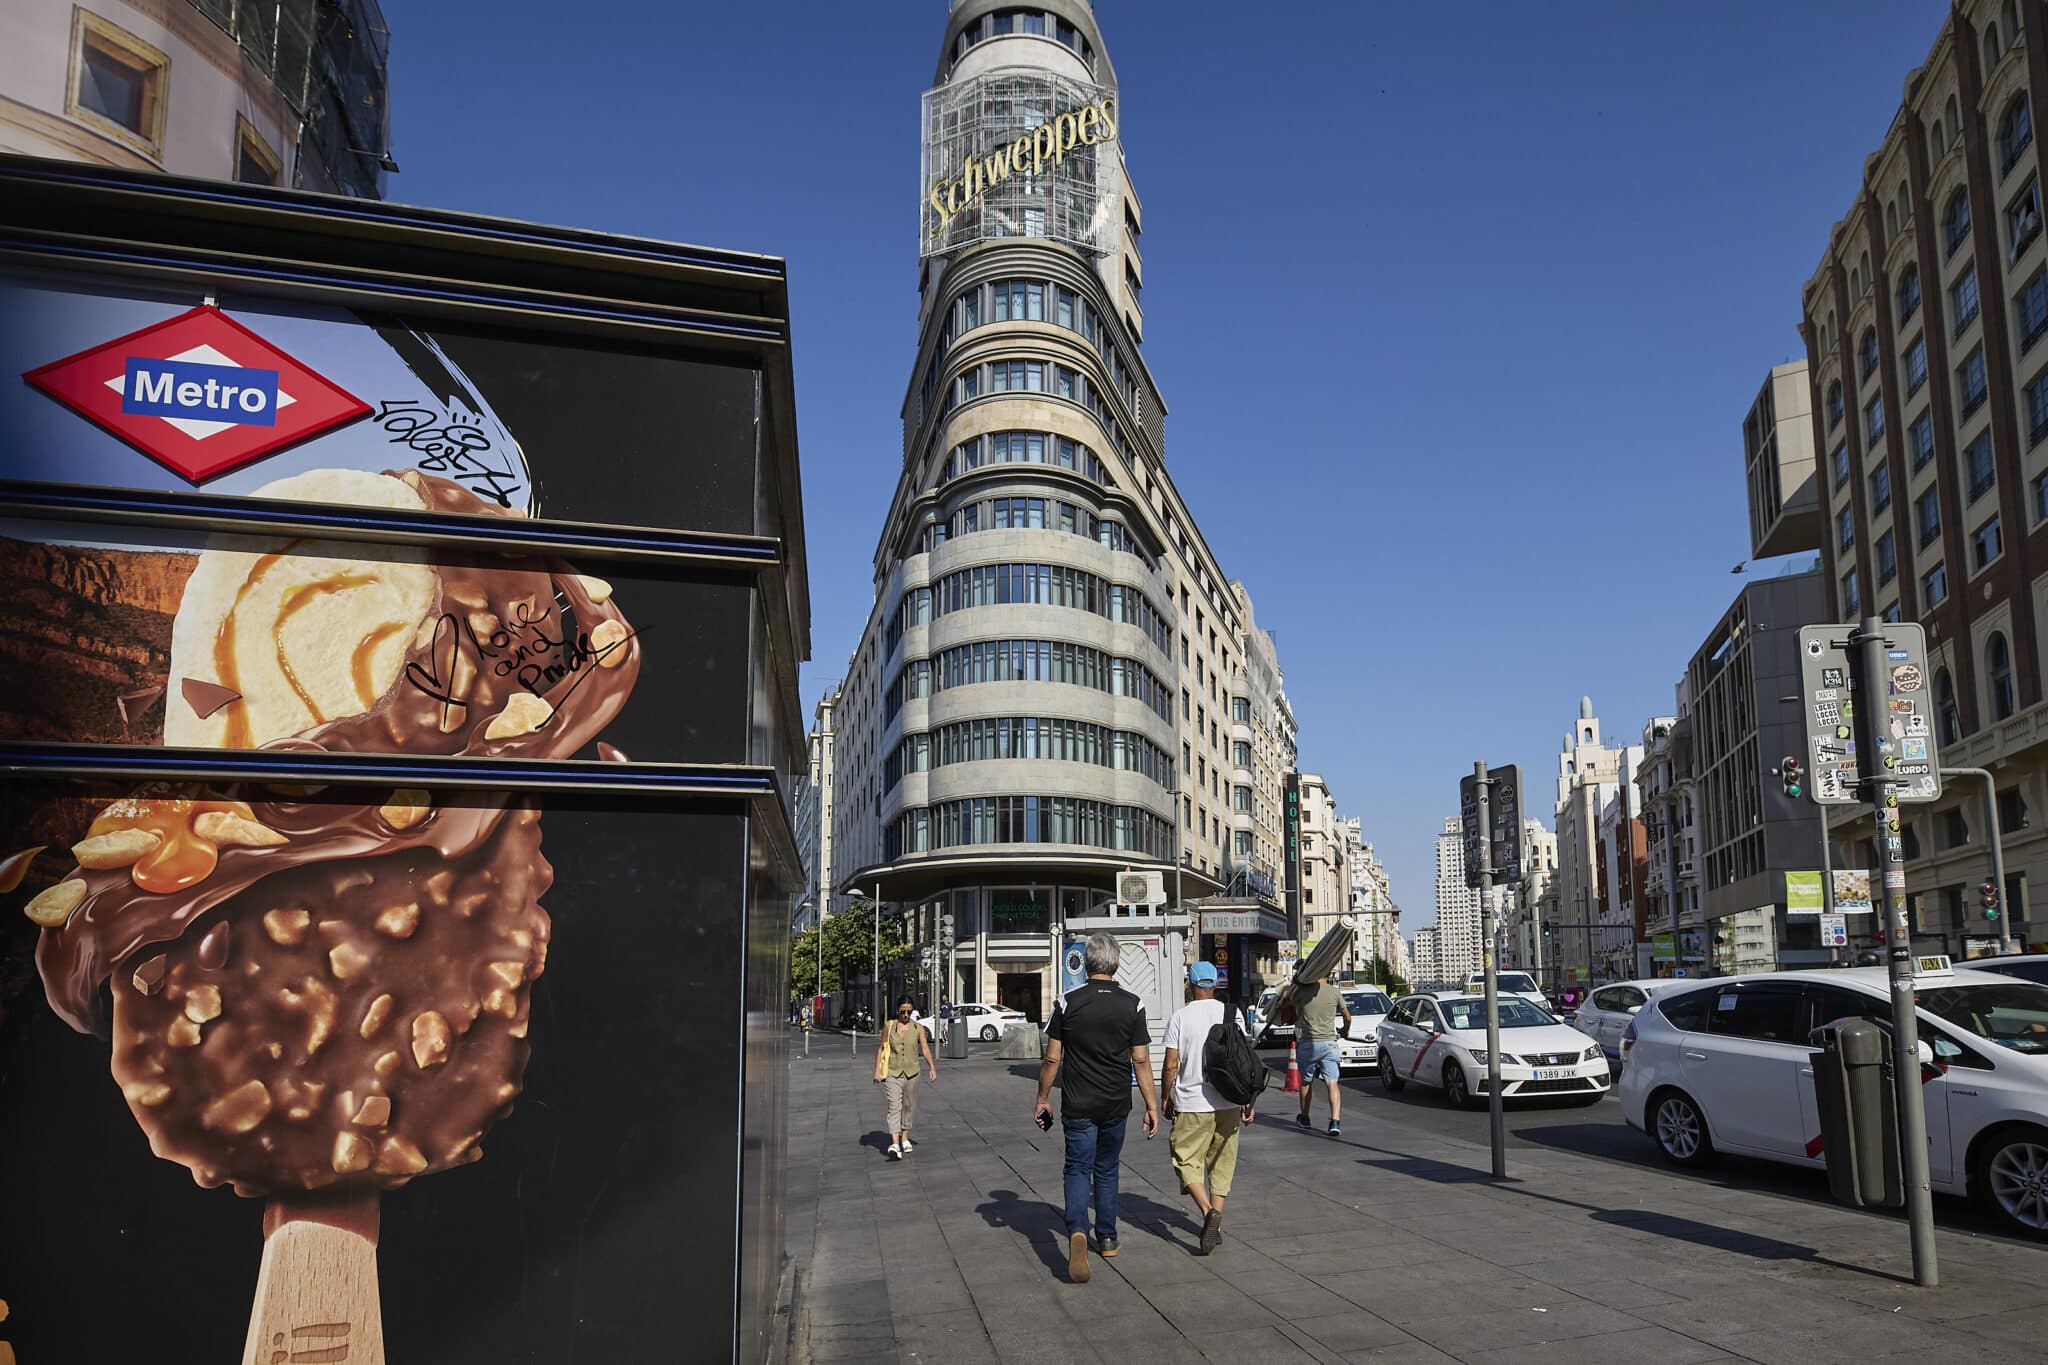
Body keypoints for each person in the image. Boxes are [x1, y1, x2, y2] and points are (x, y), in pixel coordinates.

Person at [1033, 933, 1159, 1283]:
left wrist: (1042, 1098)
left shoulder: (1066, 1002)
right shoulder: (1133, 1004)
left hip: (1078, 1102)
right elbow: (1142, 1060)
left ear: (1087, 964)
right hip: (1116, 1101)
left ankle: (1076, 1228)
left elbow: (1052, 1057)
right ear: (1116, 964)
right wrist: (1151, 1105)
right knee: (1106, 1168)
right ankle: (1106, 1236)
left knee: (1076, 1167)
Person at [1161, 963, 1255, 1255]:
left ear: (1190, 982)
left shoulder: (1181, 1016)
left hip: (1192, 1102)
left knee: (1186, 1159)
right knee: (1222, 1163)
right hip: (1228, 1100)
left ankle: (1207, 1213)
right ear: (1216, 983)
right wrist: (1248, 1099)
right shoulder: (1232, 1013)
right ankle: (1217, 1220)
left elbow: (1170, 1064)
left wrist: (1166, 1096)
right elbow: (1244, 1059)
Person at [874, 994, 937, 1159]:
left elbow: (925, 1049)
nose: (906, 1016)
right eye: (903, 1012)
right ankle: (895, 1143)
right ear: (897, 1010)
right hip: (893, 1072)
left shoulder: (918, 1028)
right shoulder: (889, 1027)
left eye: (909, 1012)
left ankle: (905, 1137)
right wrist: (877, 1071)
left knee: (908, 1106)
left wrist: (932, 1067)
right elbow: (881, 1048)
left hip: (912, 1073)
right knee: (894, 1106)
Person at [1292, 970, 1351, 1136]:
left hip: (1308, 1043)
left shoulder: (1302, 992)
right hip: (1329, 1044)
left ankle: (1305, 1118)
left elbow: (1295, 1014)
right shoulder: (1334, 991)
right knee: (1332, 1082)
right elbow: (1347, 1016)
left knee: (1306, 1082)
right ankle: (1335, 1122)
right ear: (1329, 974)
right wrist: (1345, 1031)